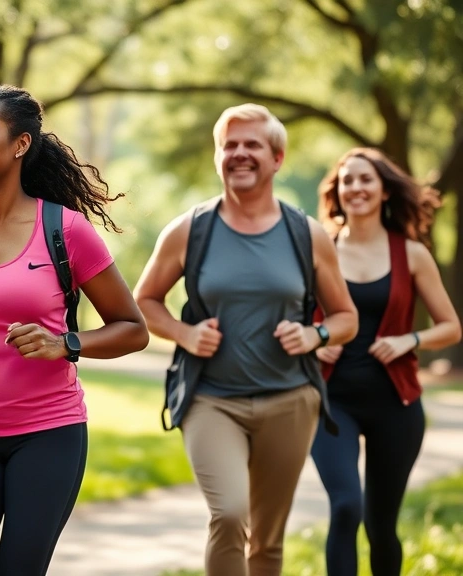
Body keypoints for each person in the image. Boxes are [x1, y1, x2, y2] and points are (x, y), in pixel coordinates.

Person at [0, 81, 150, 576]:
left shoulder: (65, 230)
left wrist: (65, 344)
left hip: (48, 434)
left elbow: (132, 328)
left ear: (20, 145)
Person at [133, 104, 359, 576]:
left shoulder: (307, 235)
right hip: (211, 400)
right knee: (230, 514)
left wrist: (314, 334)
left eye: (252, 144)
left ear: (276, 158)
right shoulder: (190, 230)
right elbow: (144, 301)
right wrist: (184, 333)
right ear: (218, 158)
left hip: (290, 402)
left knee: (269, 541)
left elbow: (346, 318)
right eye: (229, 145)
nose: (239, 154)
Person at [310, 148, 461, 576]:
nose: (356, 188)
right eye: (347, 180)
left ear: (384, 190)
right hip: (330, 402)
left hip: (396, 406)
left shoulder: (411, 254)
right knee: (345, 507)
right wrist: (316, 342)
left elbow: (451, 326)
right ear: (337, 192)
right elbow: (291, 318)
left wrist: (409, 339)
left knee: (381, 526)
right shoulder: (319, 247)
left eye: (366, 179)